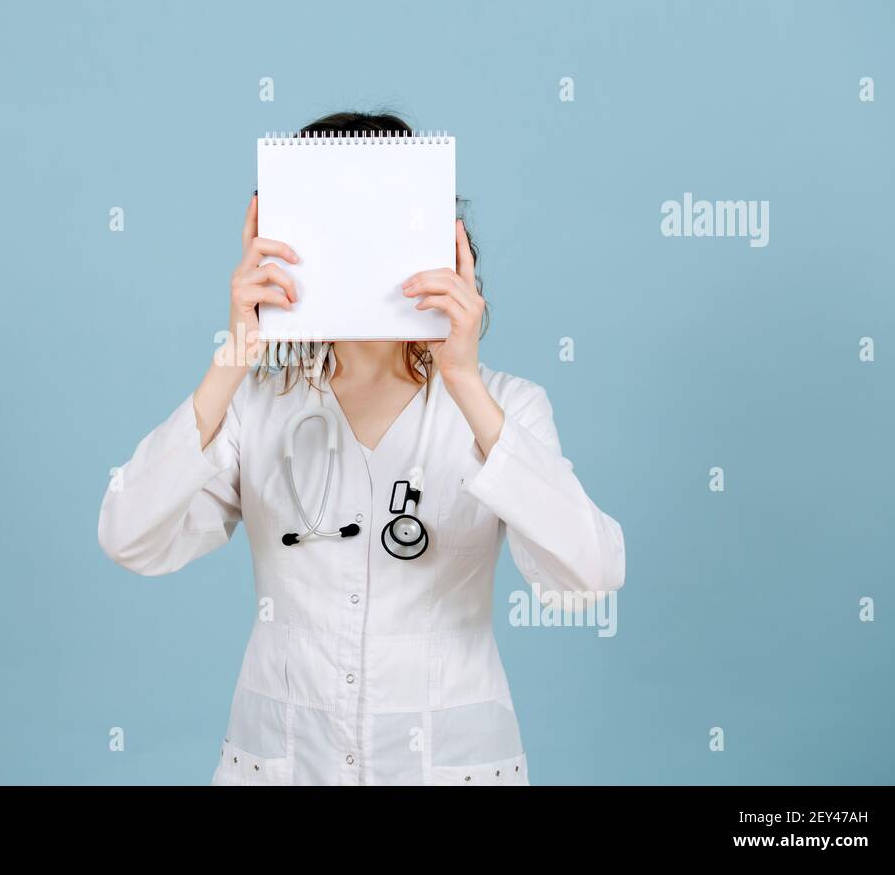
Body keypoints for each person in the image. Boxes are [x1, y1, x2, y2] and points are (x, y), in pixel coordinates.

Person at [98, 112, 625, 785]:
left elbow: (588, 578)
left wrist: (462, 378)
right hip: (284, 766)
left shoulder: (506, 406)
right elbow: (129, 535)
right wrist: (233, 358)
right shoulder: (255, 406)